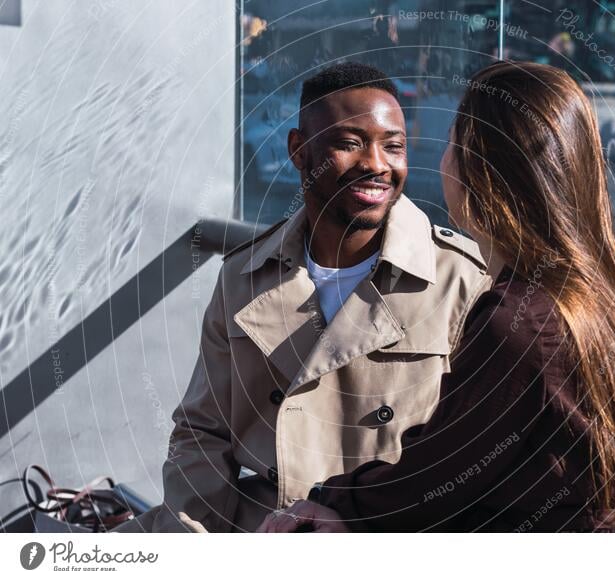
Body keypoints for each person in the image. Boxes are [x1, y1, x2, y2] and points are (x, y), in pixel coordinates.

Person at [259, 61, 615, 533]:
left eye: (453, 142)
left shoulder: (519, 321)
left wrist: (332, 503)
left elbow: (435, 478)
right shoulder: (603, 296)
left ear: (483, 172)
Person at [113, 62, 490, 532]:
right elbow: (201, 432)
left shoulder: (462, 279)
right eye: (349, 144)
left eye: (393, 146)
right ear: (299, 151)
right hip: (259, 525)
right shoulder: (243, 276)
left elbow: (471, 460)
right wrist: (199, 541)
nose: (376, 164)